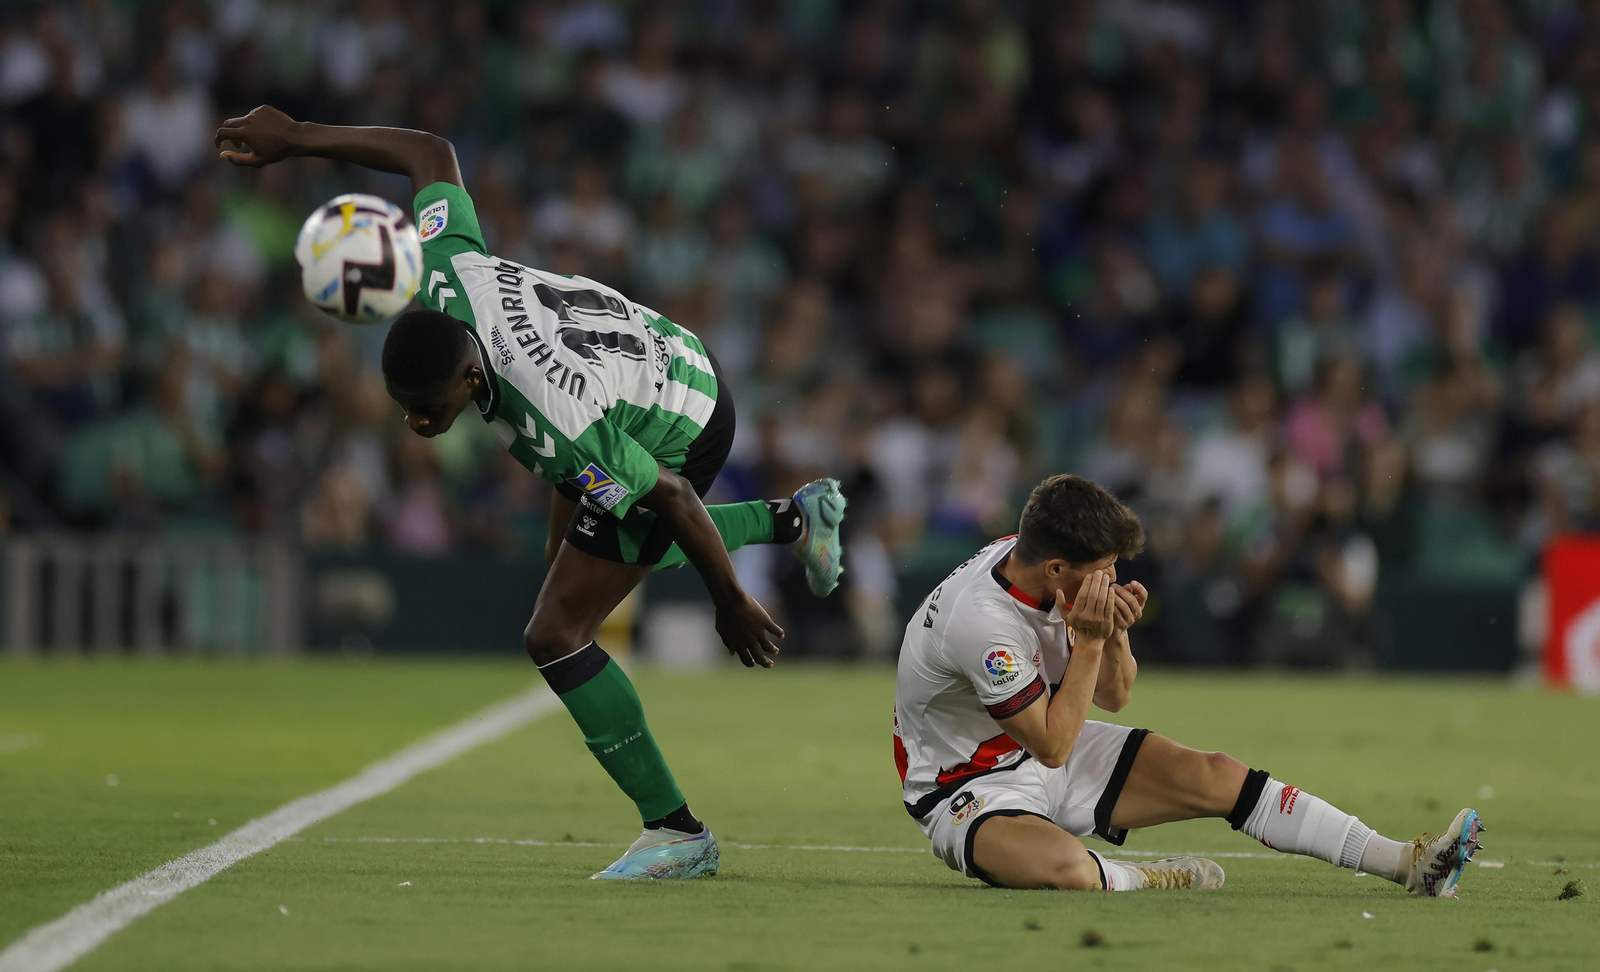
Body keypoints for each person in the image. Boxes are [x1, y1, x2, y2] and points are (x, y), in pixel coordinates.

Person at [216, 106, 847, 880]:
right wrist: (299, 140)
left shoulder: (552, 422)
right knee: (582, 567)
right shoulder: (442, 269)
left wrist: (731, 602)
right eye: (405, 406)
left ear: (471, 381)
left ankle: (678, 832)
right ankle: (796, 518)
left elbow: (675, 497)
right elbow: (430, 151)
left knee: (556, 632)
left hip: (680, 418)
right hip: (644, 360)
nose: (417, 423)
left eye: (432, 409)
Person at [893, 473, 1483, 895]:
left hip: (1044, 738)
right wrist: (1092, 641)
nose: (1115, 579)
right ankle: (1145, 876)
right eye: (1104, 569)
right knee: (1067, 870)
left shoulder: (1045, 573)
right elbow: (1052, 744)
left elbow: (1114, 696)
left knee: (1216, 773)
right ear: (1054, 568)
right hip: (966, 784)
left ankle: (1407, 863)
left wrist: (1115, 635)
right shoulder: (982, 624)